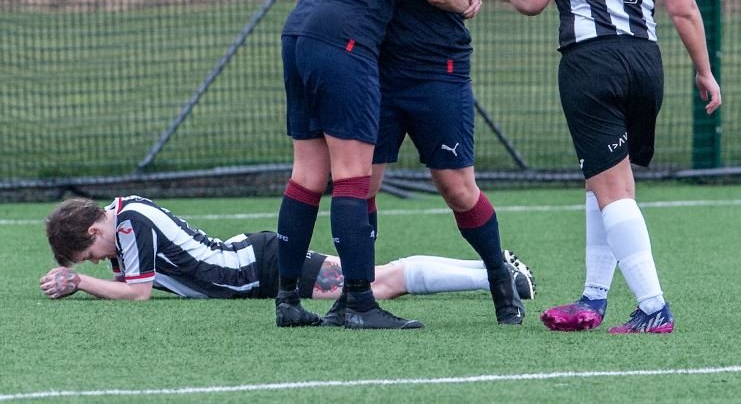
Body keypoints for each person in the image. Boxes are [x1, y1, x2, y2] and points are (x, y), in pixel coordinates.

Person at [494, 0, 721, 334]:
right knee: (606, 181)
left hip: (591, 64)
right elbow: (682, 9)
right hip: (646, 63)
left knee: (613, 189)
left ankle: (653, 306)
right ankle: (593, 299)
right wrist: (705, 72)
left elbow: (532, 1)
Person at [277, 0, 481, 330]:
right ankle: (360, 303)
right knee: (352, 175)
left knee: (307, 174)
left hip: (301, 29)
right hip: (344, 38)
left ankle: (287, 300)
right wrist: (467, 2)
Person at [335, 0, 526, 326]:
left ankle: (500, 280)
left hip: (436, 74)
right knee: (362, 186)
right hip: (379, 69)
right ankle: (357, 295)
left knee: (457, 188)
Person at [39, 196, 535, 303]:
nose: (98, 261)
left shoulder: (126, 224)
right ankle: (494, 267)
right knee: (381, 279)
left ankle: (495, 275)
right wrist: (85, 277)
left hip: (260, 265)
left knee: (380, 283)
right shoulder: (124, 216)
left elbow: (138, 293)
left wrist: (81, 282)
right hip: (256, 263)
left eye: (89, 256)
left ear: (90, 234)